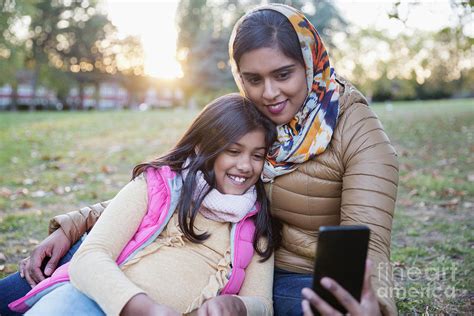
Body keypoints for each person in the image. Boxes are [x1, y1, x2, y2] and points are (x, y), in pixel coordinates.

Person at [1, 3, 399, 316]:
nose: (270, 92)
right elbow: (168, 189)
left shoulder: (355, 130)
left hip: (286, 273)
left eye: (284, 74)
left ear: (310, 63)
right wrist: (74, 225)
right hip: (174, 246)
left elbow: (369, 245)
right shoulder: (250, 122)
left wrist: (375, 307)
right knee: (42, 278)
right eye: (253, 79)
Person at [7, 94, 278, 315]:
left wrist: (238, 305)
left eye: (257, 156)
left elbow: (263, 304)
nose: (245, 166)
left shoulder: (257, 226)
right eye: (233, 151)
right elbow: (89, 258)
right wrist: (143, 308)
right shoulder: (156, 185)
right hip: (96, 302)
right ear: (200, 147)